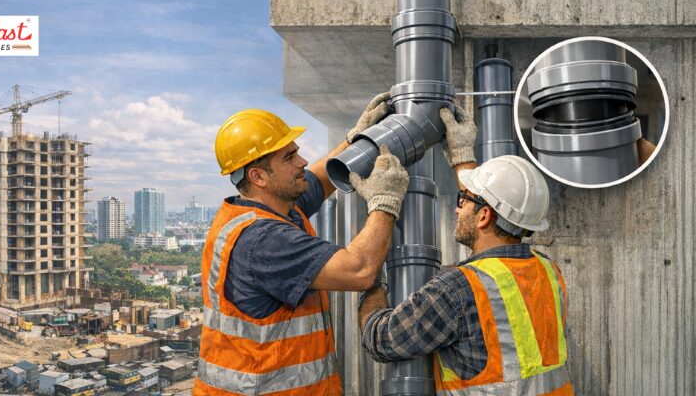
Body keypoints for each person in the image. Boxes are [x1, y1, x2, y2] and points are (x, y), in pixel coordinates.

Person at [194, 93, 410, 395]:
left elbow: (319, 179)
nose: (303, 161)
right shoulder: (263, 241)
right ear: (258, 177)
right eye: (289, 157)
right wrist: (385, 200)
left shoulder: (275, 207)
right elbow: (360, 270)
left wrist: (354, 140)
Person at [358, 106, 574, 395]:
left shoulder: (455, 291)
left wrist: (369, 272)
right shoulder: (549, 271)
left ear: (484, 217)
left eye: (463, 200)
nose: (457, 207)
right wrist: (463, 157)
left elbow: (380, 339)